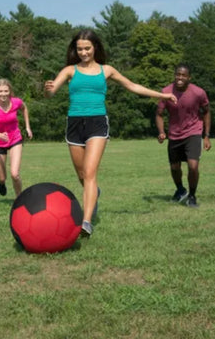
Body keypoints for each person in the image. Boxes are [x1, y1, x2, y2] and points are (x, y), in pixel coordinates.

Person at [44, 29, 177, 236]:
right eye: (79, 49)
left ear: (95, 47)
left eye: (87, 48)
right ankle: (94, 193)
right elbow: (51, 93)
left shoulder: (106, 70)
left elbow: (133, 86)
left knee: (89, 173)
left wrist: (163, 95)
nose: (83, 52)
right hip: (74, 123)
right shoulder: (70, 70)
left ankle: (86, 222)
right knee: (81, 175)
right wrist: (48, 89)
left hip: (97, 122)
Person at [156, 63, 211, 208]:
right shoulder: (166, 92)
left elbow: (206, 111)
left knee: (193, 166)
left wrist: (206, 135)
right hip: (174, 134)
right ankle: (180, 189)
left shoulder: (198, 93)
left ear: (189, 77)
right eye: (177, 74)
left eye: (183, 75)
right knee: (175, 167)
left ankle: (192, 196)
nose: (180, 78)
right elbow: (159, 114)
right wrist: (161, 131)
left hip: (193, 132)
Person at [0, 79, 32, 197]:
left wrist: (27, 127)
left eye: (6, 91)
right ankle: (1, 183)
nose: (3, 94)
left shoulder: (16, 102)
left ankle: (19, 199)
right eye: (0, 91)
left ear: (10, 91)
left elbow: (24, 108)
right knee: (2, 177)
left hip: (15, 138)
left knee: (15, 174)